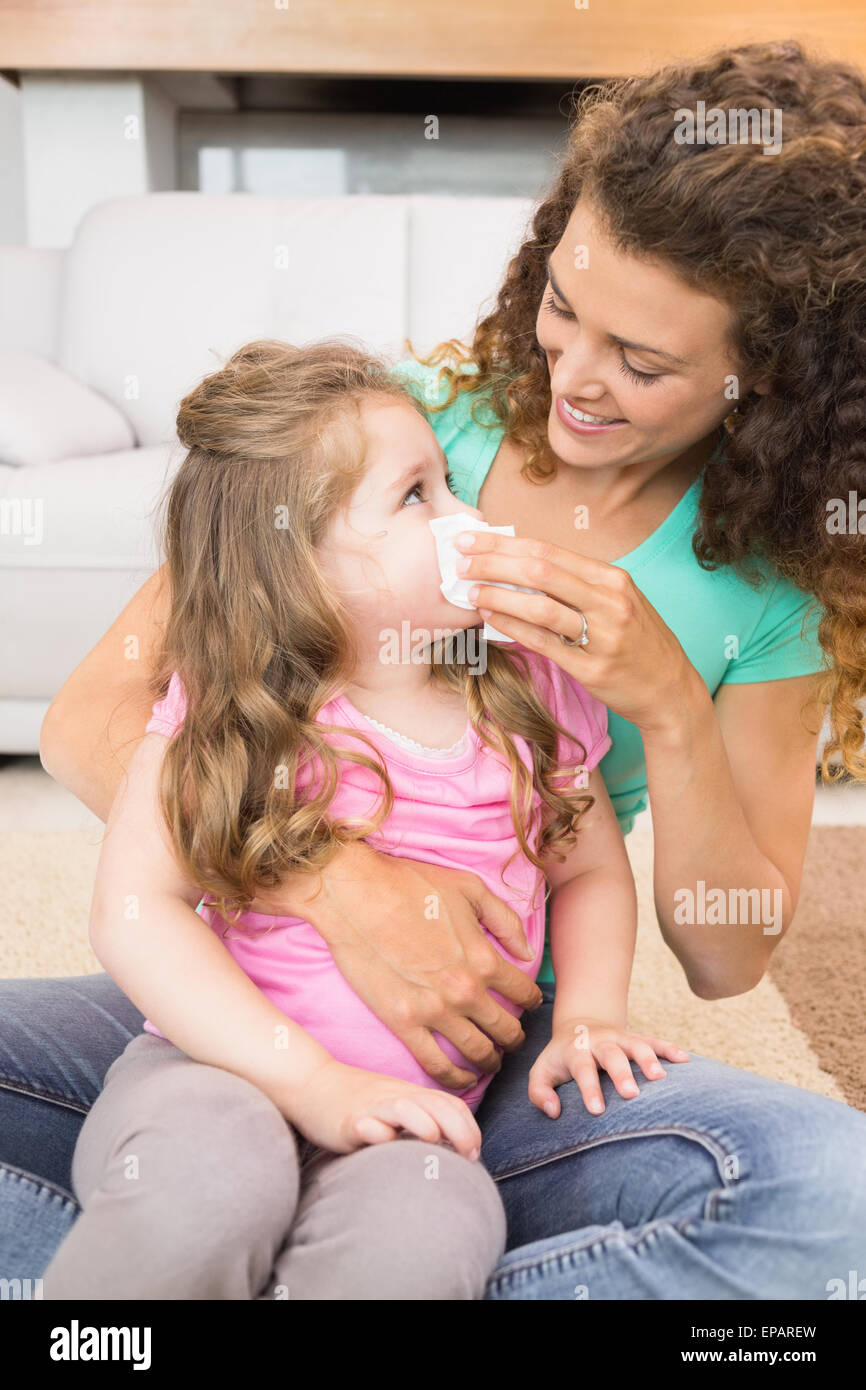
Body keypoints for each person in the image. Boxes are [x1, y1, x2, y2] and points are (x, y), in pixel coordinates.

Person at [8, 39, 866, 1299]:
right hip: (240, 993)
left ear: (772, 382)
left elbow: (726, 955)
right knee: (201, 1154)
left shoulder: (763, 596)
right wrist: (343, 892)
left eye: (639, 361)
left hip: (481, 1063)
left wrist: (668, 710)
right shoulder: (387, 426)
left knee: (831, 1206)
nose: (570, 375)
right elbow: (95, 723)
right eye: (564, 303)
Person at [41, 336, 674, 1299]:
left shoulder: (529, 694)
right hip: (215, 1073)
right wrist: (310, 1084)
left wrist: (586, 1016)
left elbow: (587, 869)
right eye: (416, 496)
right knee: (213, 1183)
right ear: (291, 566)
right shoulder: (235, 707)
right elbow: (135, 910)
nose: (465, 518)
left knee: (440, 1226)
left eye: (449, 480)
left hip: (416, 1118)